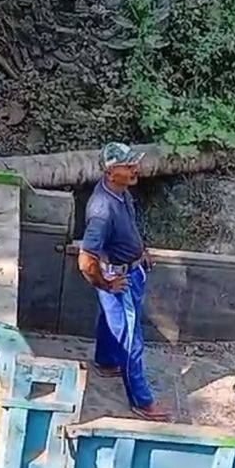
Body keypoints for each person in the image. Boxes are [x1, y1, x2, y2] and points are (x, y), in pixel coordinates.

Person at [77, 142, 172, 421]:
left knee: (111, 320)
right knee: (132, 341)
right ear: (110, 172)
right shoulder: (102, 210)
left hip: (129, 269)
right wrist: (105, 284)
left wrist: (139, 252)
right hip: (118, 277)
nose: (134, 169)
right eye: (128, 165)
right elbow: (86, 259)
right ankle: (142, 401)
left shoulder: (121, 193)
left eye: (133, 163)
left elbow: (127, 228)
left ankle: (106, 362)